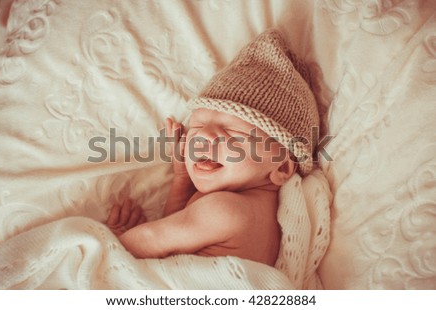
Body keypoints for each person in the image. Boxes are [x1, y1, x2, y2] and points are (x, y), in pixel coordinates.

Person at [106, 29, 320, 267]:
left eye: (231, 132)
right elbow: (177, 228)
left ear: (281, 166)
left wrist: (114, 243)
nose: (205, 136)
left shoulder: (227, 210)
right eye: (197, 125)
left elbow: (151, 239)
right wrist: (182, 178)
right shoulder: (253, 211)